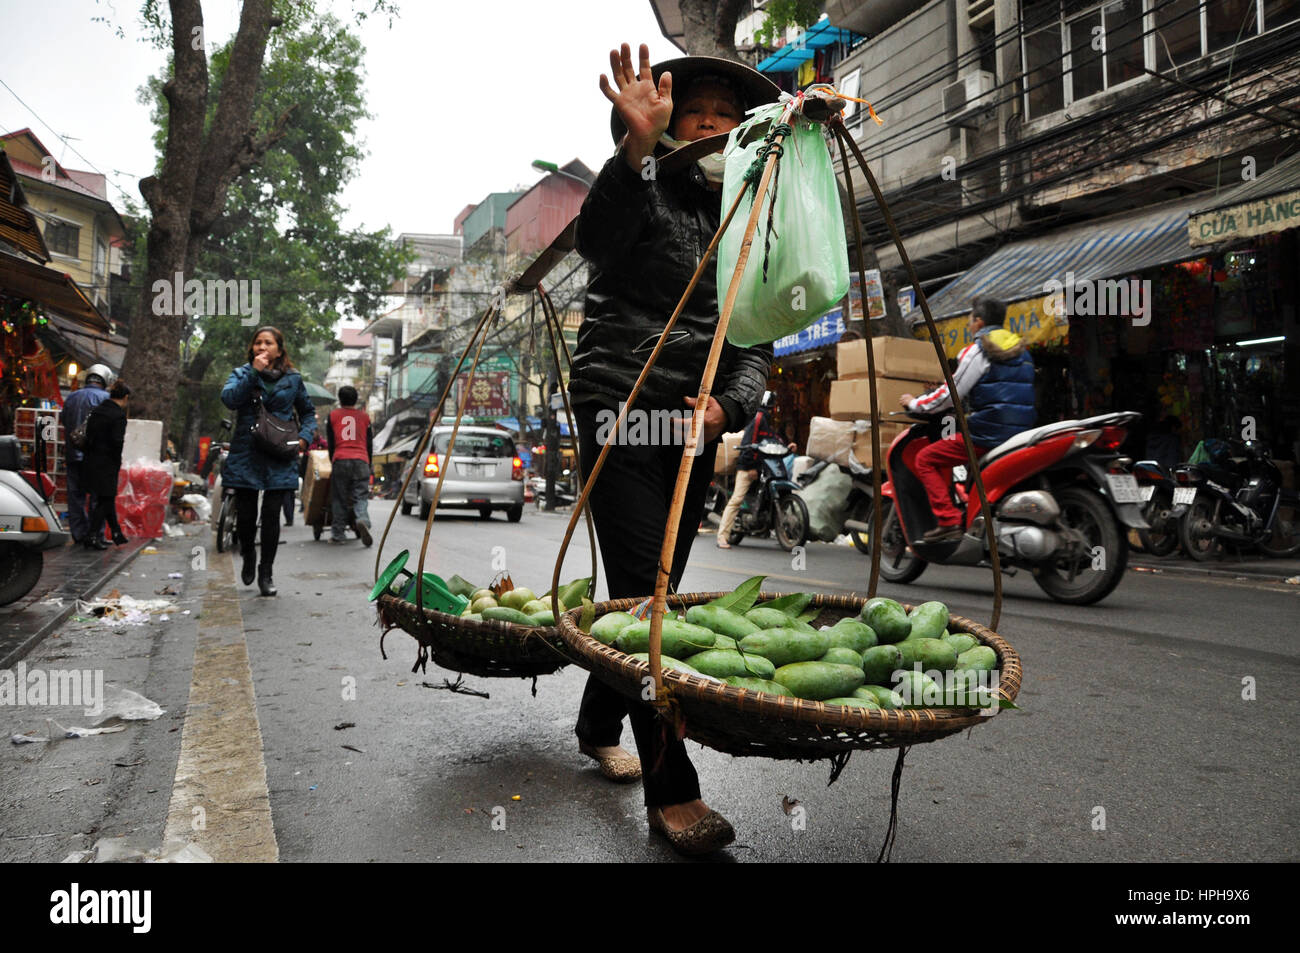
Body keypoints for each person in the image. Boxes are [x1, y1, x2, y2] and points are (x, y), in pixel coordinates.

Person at [567, 44, 777, 856]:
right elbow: (594, 238)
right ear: (670, 124)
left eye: (729, 119)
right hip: (619, 401)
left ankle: (595, 717)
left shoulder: (748, 221)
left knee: (653, 587)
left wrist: (730, 403)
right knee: (644, 594)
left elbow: (755, 337)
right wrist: (632, 150)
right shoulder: (644, 187)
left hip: (692, 422)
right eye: (698, 115)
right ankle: (673, 788)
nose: (714, 127)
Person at [899, 295, 1036, 543]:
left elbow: (950, 395)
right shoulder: (1022, 351)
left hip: (987, 433)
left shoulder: (978, 350)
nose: (968, 325)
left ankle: (948, 520)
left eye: (970, 320)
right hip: (1021, 433)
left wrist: (913, 403)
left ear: (979, 321)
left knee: (925, 459)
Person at [221, 327, 317, 596]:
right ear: (252, 349)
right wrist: (253, 371)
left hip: (280, 453)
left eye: (268, 343)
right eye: (258, 343)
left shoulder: (294, 379)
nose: (262, 347)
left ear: (279, 349)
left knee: (272, 516)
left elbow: (308, 413)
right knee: (247, 516)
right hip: (246, 452)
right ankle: (249, 554)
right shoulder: (242, 373)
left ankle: (267, 571)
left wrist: (304, 440)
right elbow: (229, 399)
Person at [716, 391, 796, 548]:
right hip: (747, 466)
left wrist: (786, 447)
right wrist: (751, 468)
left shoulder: (764, 420)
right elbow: (749, 444)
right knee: (736, 500)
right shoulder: (758, 418)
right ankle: (722, 536)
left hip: (761, 467)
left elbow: (772, 440)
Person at [62, 364, 113, 546]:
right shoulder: (108, 399)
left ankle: (79, 535)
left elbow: (64, 421)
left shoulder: (72, 397)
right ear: (105, 380)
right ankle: (95, 535)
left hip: (73, 456)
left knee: (76, 497)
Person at [81, 380, 131, 549]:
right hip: (108, 462)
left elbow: (88, 436)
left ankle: (116, 533)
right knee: (105, 500)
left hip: (91, 459)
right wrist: (117, 461)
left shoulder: (97, 411)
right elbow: (117, 442)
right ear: (125, 398)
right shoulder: (118, 416)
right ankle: (93, 535)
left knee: (105, 498)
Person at [326, 385, 374, 546]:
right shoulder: (365, 417)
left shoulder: (333, 416)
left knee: (339, 499)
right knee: (360, 496)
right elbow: (369, 443)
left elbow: (331, 443)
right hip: (361, 460)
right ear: (356, 399)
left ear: (340, 399)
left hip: (341, 458)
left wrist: (333, 460)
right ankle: (362, 520)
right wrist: (369, 462)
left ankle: (338, 535)